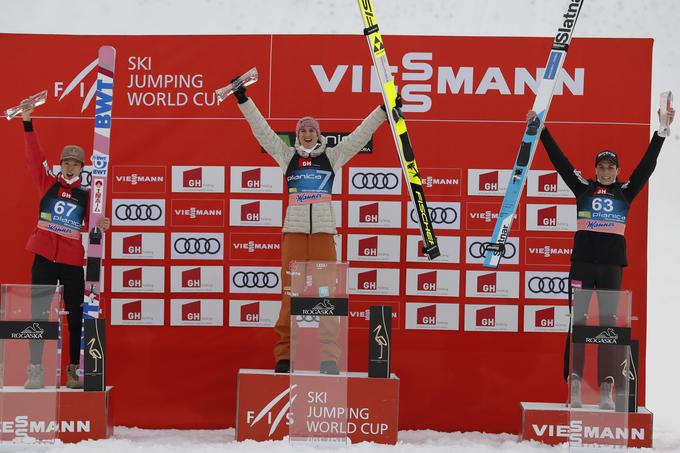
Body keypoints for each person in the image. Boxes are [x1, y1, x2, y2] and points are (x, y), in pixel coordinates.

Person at [230, 80, 389, 374]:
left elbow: (359, 135)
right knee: (290, 294)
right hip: (294, 234)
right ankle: (284, 357)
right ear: (297, 135)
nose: (306, 134)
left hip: (324, 235)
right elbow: (263, 132)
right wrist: (244, 101)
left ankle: (328, 358)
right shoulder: (287, 156)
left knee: (326, 296)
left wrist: (382, 110)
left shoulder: (332, 156)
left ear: (319, 134)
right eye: (302, 130)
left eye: (311, 130)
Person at [528, 105, 675, 409]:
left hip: (610, 268)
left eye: (611, 167)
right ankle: (576, 385)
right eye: (602, 167)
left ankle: (608, 386)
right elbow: (561, 163)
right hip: (581, 266)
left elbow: (647, 165)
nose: (606, 171)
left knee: (610, 325)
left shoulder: (625, 192)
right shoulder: (582, 189)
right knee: (577, 323)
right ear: (595, 170)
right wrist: (542, 130)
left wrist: (661, 132)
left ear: (617, 171)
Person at [21, 104, 110, 389]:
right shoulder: (46, 182)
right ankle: (35, 370)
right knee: (38, 315)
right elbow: (34, 156)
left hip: (72, 262)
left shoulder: (86, 195)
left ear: (83, 168)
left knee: (75, 315)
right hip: (45, 258)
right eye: (67, 162)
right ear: (61, 165)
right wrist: (27, 122)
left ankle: (72, 370)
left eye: (76, 163)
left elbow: (95, 222)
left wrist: (102, 224)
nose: (71, 166)